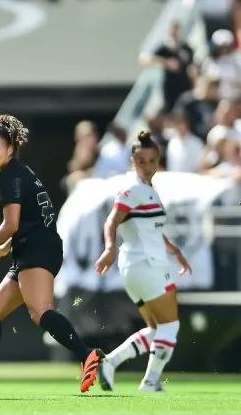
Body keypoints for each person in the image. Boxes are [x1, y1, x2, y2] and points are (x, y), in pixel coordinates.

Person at [0, 110, 103, 396]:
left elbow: (11, 224)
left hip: (37, 249)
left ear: (11, 148)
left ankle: (86, 353)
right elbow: (26, 221)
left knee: (40, 311)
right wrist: (3, 248)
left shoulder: (9, 178)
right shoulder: (17, 173)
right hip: (32, 247)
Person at [94, 130, 192, 392]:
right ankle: (150, 383)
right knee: (171, 326)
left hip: (139, 266)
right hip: (146, 264)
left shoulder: (149, 188)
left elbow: (153, 229)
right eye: (141, 161)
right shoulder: (132, 189)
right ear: (132, 162)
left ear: (158, 160)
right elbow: (111, 221)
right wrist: (109, 248)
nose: (147, 166)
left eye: (152, 161)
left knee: (156, 328)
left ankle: (110, 362)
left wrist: (175, 251)